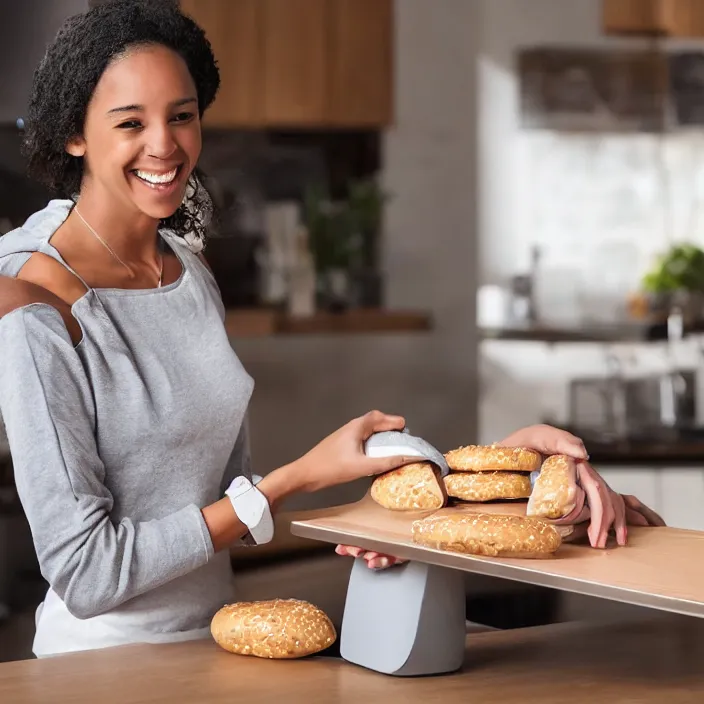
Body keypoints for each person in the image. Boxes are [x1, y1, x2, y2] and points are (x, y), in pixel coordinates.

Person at [0, 1, 662, 658]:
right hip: (97, 666)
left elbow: (221, 506)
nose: (165, 145)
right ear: (74, 134)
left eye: (182, 116)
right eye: (130, 122)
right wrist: (293, 481)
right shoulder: (33, 299)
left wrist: (484, 483)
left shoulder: (185, 268)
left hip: (215, 639)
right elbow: (87, 572)